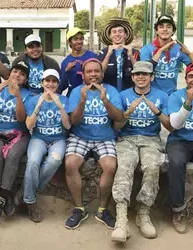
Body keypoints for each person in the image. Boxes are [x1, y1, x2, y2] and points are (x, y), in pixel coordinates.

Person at [111, 61, 173, 242]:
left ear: (152, 77)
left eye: (145, 74)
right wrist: (128, 111)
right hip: (127, 139)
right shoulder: (123, 96)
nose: (140, 77)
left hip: (151, 140)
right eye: (137, 74)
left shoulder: (162, 96)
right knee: (124, 166)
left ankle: (143, 213)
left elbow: (169, 125)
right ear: (132, 77)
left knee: (152, 166)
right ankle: (121, 218)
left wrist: (157, 111)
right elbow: (116, 126)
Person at [65, 58, 123, 230]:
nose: (93, 75)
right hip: (80, 136)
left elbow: (119, 117)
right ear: (83, 75)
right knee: (70, 164)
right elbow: (74, 121)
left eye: (96, 71)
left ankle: (102, 210)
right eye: (89, 71)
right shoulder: (76, 91)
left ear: (102, 73)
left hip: (105, 137)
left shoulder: (111, 91)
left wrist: (105, 100)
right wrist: (82, 101)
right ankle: (79, 209)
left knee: (110, 166)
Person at [0, 61, 31, 222]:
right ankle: (6, 195)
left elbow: (21, 118)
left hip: (19, 133)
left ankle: (0, 199)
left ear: (25, 80)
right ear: (9, 73)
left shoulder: (27, 95)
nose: (17, 75)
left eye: (22, 74)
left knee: (14, 154)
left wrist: (17, 96)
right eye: (15, 71)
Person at [23, 69, 70, 222]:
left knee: (54, 160)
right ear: (42, 83)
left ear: (58, 84)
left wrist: (60, 106)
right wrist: (38, 105)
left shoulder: (64, 99)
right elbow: (29, 125)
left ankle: (28, 192)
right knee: (33, 162)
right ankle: (31, 202)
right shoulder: (32, 99)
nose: (50, 84)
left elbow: (68, 126)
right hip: (39, 138)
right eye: (47, 81)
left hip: (58, 139)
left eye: (54, 81)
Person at [166, 63, 193, 234]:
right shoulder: (176, 96)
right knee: (176, 163)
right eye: (191, 76)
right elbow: (175, 124)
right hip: (180, 141)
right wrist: (188, 101)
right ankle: (178, 211)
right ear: (185, 79)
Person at [140, 15, 193, 95]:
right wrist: (160, 51)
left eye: (169, 27)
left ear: (173, 31)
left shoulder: (178, 48)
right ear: (156, 31)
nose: (165, 29)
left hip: (172, 94)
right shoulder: (147, 49)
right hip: (151, 94)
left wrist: (188, 53)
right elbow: (144, 71)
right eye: (161, 26)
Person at [97, 17, 139, 92]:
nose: (117, 34)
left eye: (120, 31)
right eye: (114, 32)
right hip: (109, 92)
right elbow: (99, 72)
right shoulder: (103, 52)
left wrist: (131, 56)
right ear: (110, 35)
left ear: (125, 34)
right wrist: (108, 55)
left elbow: (140, 71)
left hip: (129, 92)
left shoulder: (134, 52)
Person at [58, 27, 96, 96]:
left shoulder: (92, 56)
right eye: (75, 39)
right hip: (73, 97)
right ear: (69, 42)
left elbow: (100, 78)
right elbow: (62, 87)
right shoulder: (65, 62)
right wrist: (66, 71)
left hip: (90, 96)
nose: (79, 42)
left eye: (81, 38)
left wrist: (86, 69)